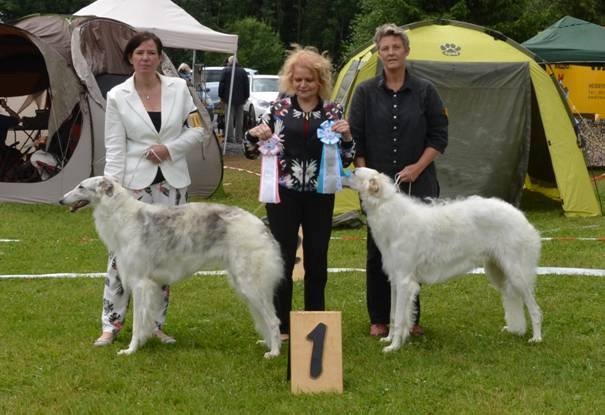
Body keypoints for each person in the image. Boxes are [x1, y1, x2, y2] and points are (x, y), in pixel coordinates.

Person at [94, 31, 206, 346]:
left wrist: (169, 149)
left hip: (172, 184)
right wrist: (110, 190)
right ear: (131, 57)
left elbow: (197, 129)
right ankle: (111, 324)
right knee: (120, 258)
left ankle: (155, 324)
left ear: (159, 57)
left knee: (164, 257)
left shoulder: (180, 88)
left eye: (152, 53)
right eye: (140, 52)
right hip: (132, 187)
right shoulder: (117, 95)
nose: (146, 58)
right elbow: (114, 146)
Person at [244, 45, 356, 340]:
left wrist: (346, 137)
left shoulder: (333, 111)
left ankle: (315, 320)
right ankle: (281, 325)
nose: (303, 85)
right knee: (281, 257)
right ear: (290, 81)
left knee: (317, 257)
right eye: (298, 80)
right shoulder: (279, 109)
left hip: (321, 196)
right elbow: (251, 149)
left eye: (309, 80)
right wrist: (253, 136)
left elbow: (346, 158)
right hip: (284, 195)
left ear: (320, 81)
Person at [349, 24, 448, 338]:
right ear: (379, 53)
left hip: (417, 185)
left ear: (406, 51)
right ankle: (379, 318)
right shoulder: (365, 92)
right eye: (385, 48)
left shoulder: (425, 91)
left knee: (412, 252)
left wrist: (418, 167)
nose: (390, 53)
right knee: (378, 251)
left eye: (396, 47)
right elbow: (356, 141)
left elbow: (439, 137)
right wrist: (367, 181)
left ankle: (410, 318)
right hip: (377, 192)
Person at [218, 56, 249, 143]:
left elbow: (221, 84)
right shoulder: (243, 71)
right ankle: (239, 138)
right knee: (240, 118)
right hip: (241, 98)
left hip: (228, 98)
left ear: (229, 62)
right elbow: (246, 85)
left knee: (229, 118)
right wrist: (246, 96)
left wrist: (221, 96)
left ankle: (230, 138)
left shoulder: (225, 70)